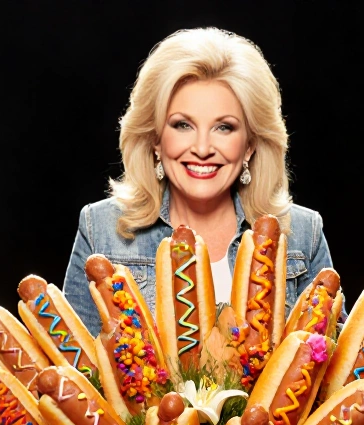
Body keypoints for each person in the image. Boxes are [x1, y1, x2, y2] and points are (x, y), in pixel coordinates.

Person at [62, 27, 340, 337]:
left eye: (224, 127)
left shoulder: (303, 234)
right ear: (155, 138)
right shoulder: (99, 228)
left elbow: (334, 375)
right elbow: (73, 372)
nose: (203, 148)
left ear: (250, 144)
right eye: (183, 125)